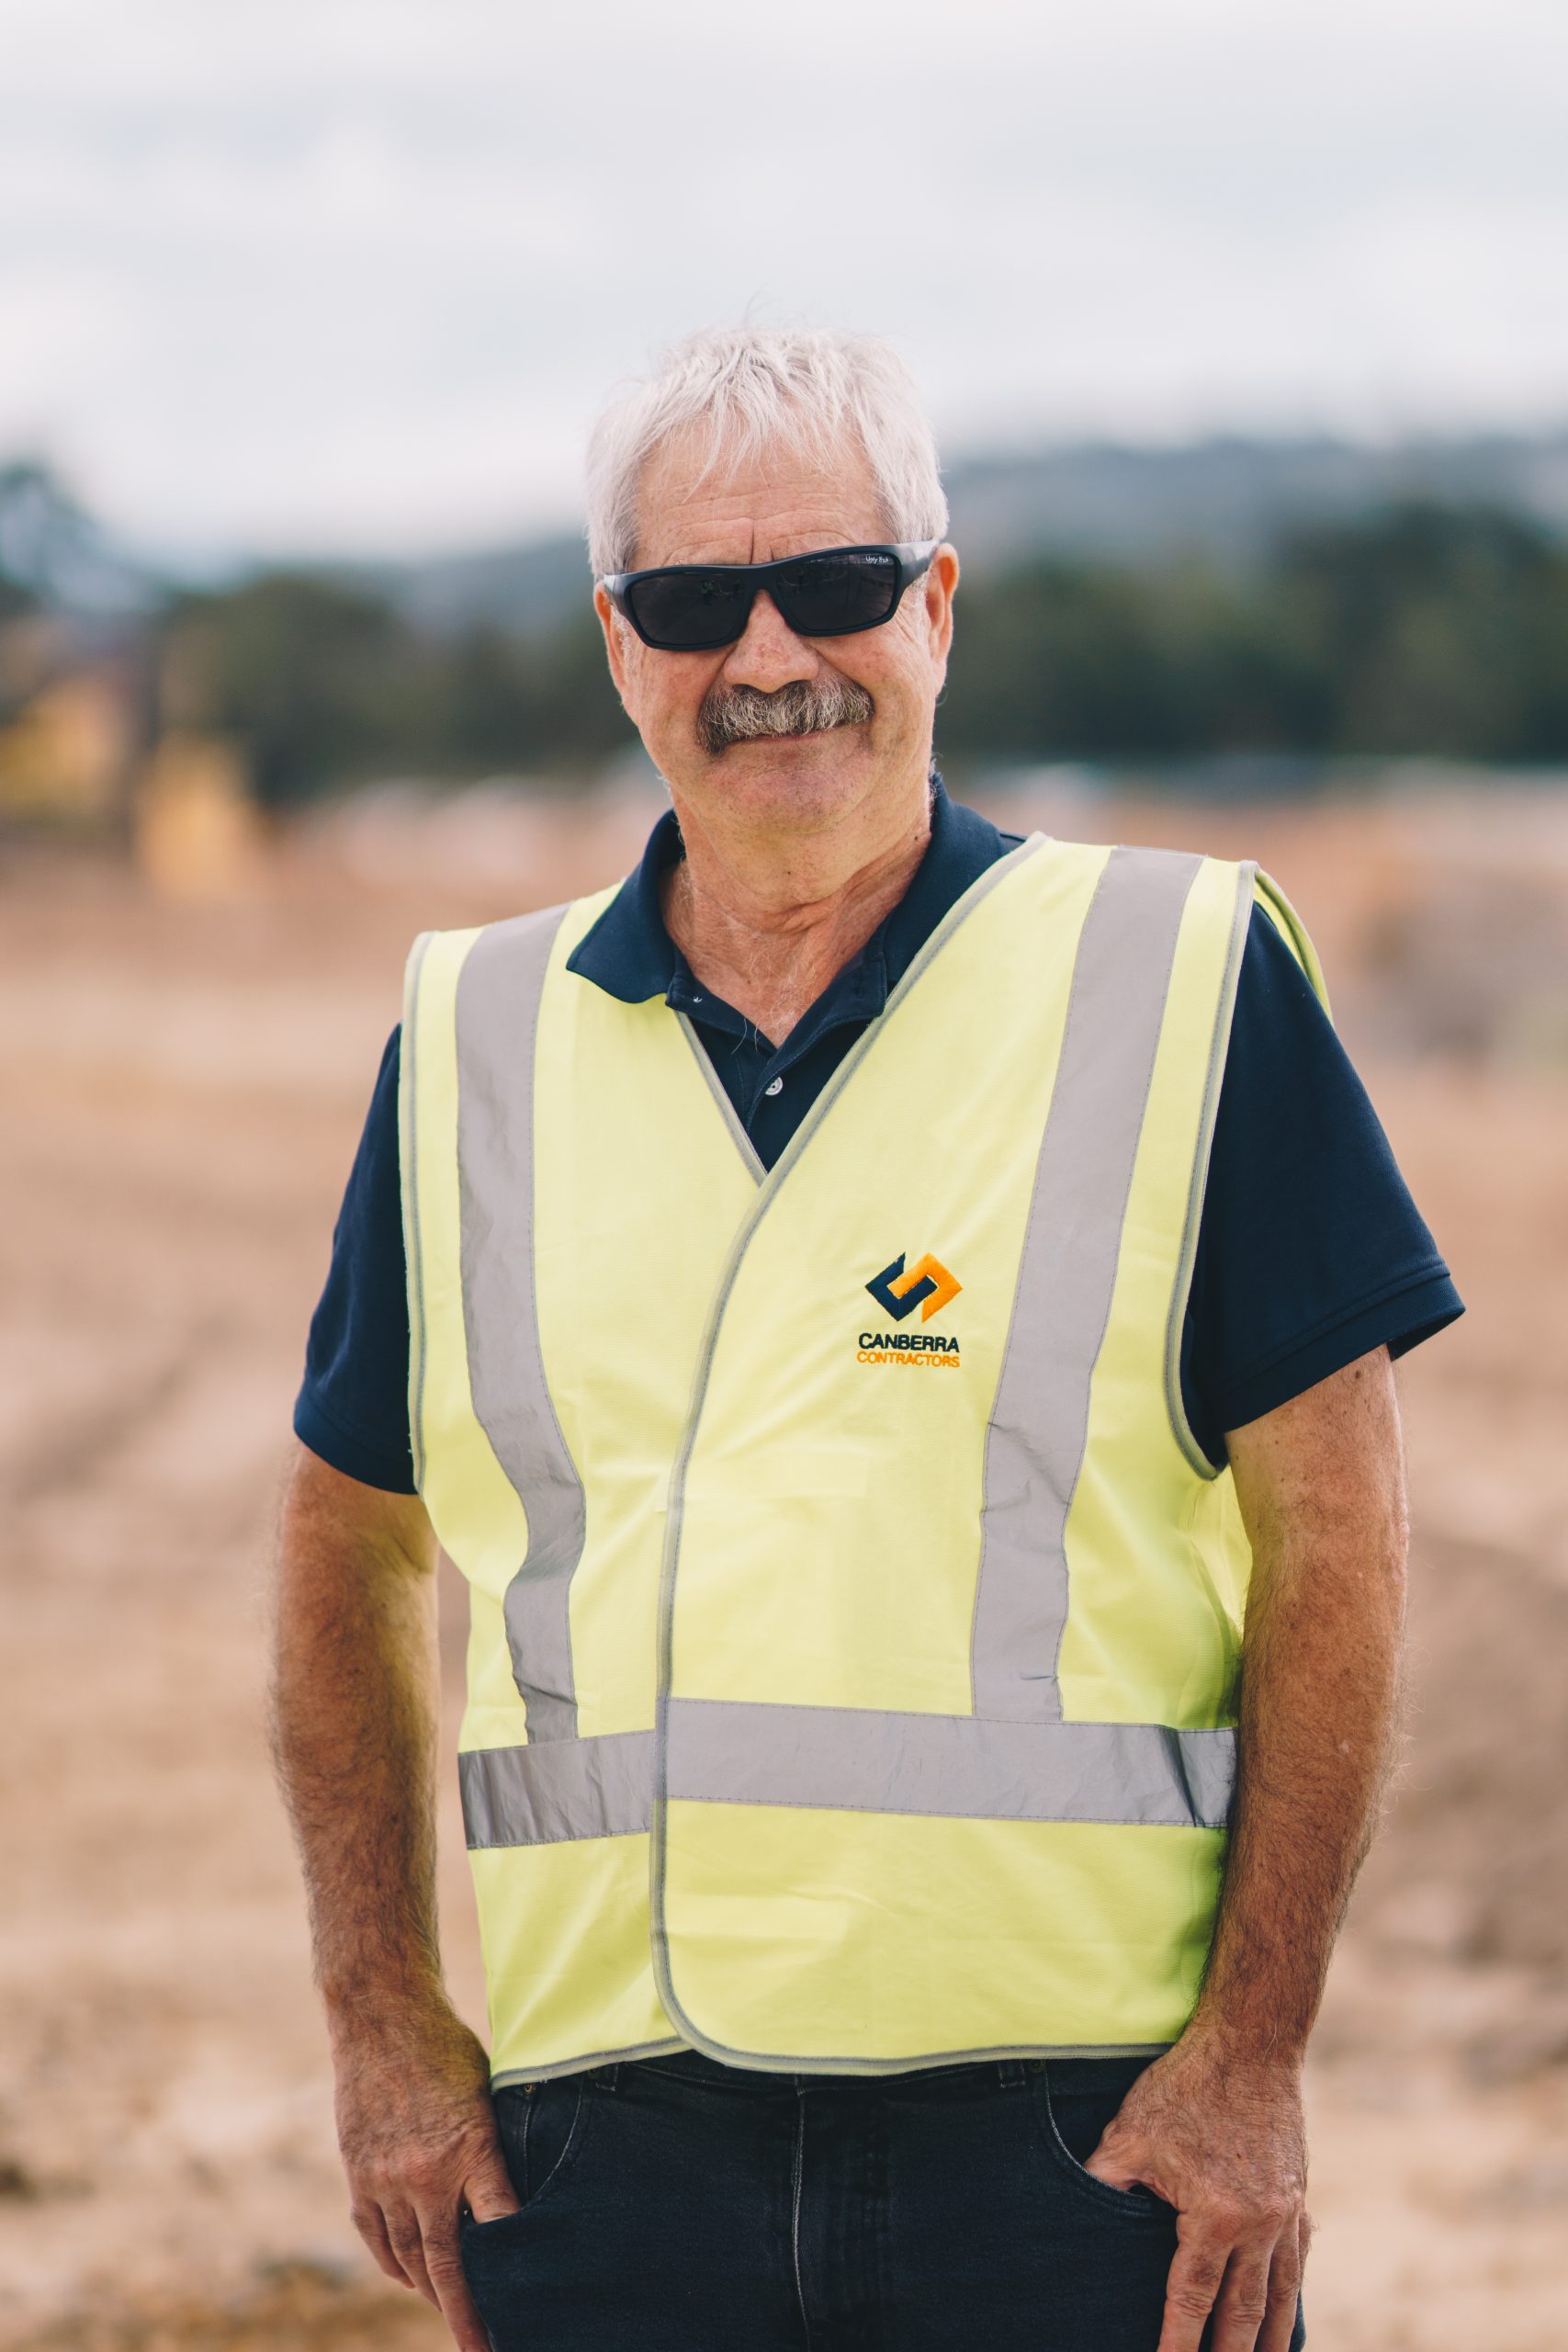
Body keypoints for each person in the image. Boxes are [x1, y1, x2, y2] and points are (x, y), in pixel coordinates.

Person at [271, 326, 1461, 2352]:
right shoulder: (473, 1037)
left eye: (832, 582)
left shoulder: (1177, 982)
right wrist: (383, 2024)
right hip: (604, 2150)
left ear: (934, 604)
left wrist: (1252, 2054)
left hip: (1079, 2147)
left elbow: (1336, 1540)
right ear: (617, 643)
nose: (767, 655)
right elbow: (343, 1553)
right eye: (689, 601)